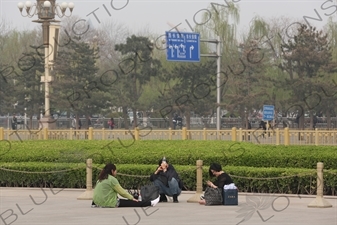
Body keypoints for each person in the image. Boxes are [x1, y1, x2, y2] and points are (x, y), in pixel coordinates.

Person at [92, 163, 160, 208]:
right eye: (116, 170)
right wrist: (132, 198)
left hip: (97, 203)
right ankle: (150, 203)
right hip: (109, 203)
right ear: (112, 171)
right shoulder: (112, 179)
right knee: (133, 203)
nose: (116, 172)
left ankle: (149, 202)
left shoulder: (100, 179)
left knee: (128, 201)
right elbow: (122, 192)